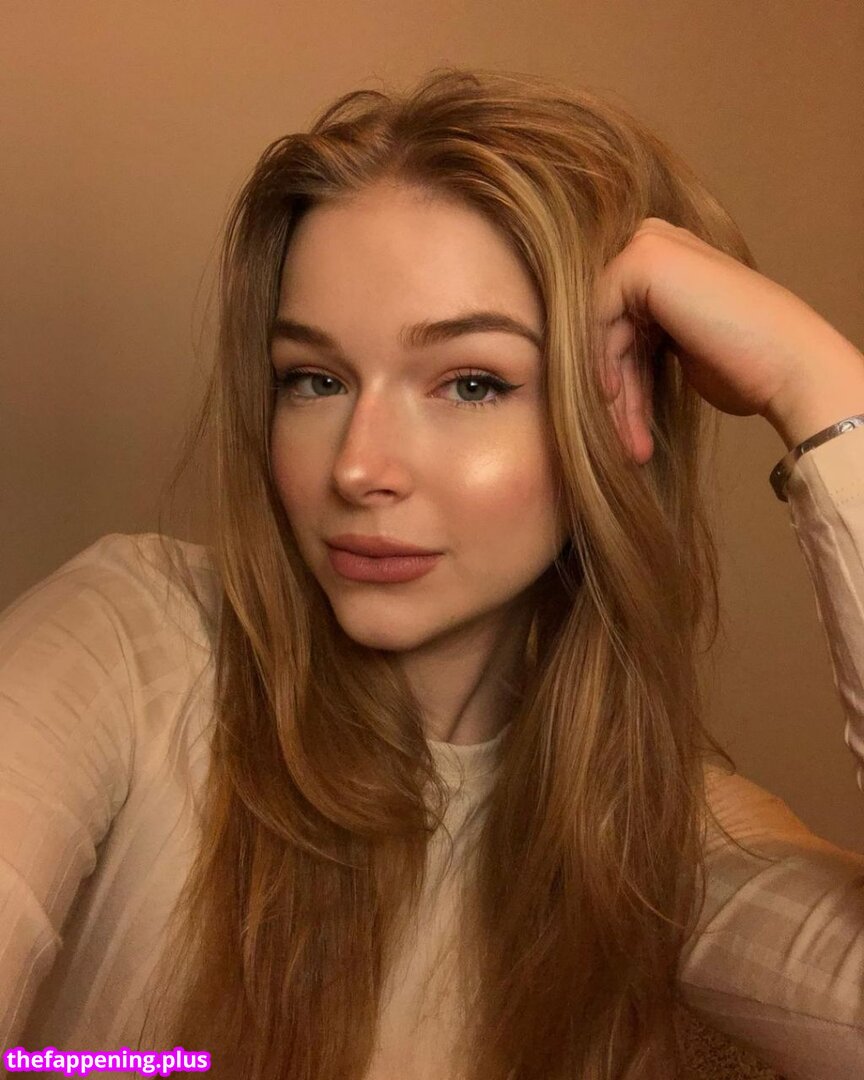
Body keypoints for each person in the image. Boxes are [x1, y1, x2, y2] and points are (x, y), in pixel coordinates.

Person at [1, 66, 863, 1080]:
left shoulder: (656, 843)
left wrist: (819, 385)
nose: (358, 467)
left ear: (615, 412)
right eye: (313, 379)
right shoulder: (125, 644)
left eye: (472, 382)